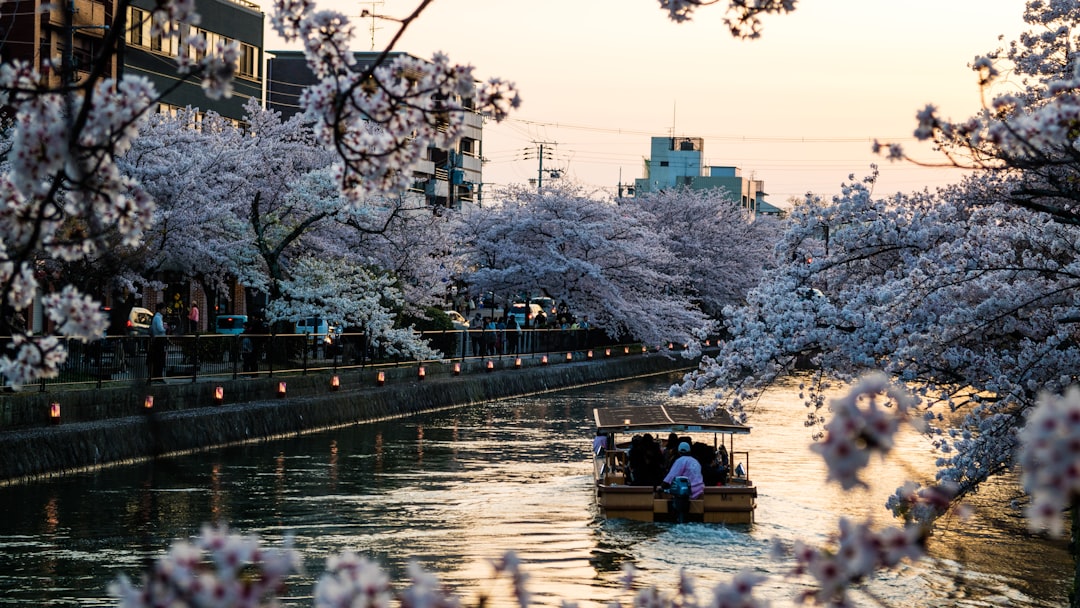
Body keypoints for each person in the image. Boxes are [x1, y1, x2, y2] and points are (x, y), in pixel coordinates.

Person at [148, 303, 167, 383]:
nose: (165, 310)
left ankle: (156, 376)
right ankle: (158, 376)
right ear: (159, 309)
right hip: (159, 340)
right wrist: (165, 328)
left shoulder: (156, 317)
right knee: (159, 359)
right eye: (163, 309)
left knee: (157, 359)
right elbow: (160, 329)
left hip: (157, 340)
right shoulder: (158, 317)